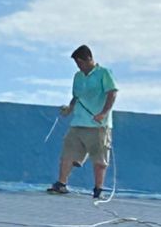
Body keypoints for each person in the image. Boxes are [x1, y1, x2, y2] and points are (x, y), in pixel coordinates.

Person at [47, 44, 118, 199]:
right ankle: (61, 184)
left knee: (99, 158)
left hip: (98, 125)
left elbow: (112, 93)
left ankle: (98, 189)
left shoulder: (104, 73)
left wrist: (103, 113)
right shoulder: (78, 77)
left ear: (89, 59)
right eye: (77, 63)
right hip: (78, 123)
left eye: (80, 62)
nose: (79, 66)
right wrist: (69, 108)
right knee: (67, 154)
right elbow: (76, 96)